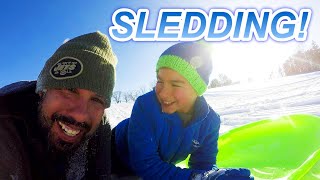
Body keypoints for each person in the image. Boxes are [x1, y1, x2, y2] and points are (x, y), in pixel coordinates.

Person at [112, 42, 253, 179]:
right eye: (160, 81)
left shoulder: (210, 122)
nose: (163, 93)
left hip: (150, 169)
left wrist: (212, 176)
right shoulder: (146, 105)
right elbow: (146, 165)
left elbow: (203, 165)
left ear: (197, 89)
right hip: (111, 154)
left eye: (175, 84)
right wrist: (198, 178)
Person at [0, 31, 117, 179]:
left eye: (97, 100)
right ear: (42, 91)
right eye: (70, 90)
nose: (80, 114)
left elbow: (101, 175)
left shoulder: (100, 126)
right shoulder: (6, 119)